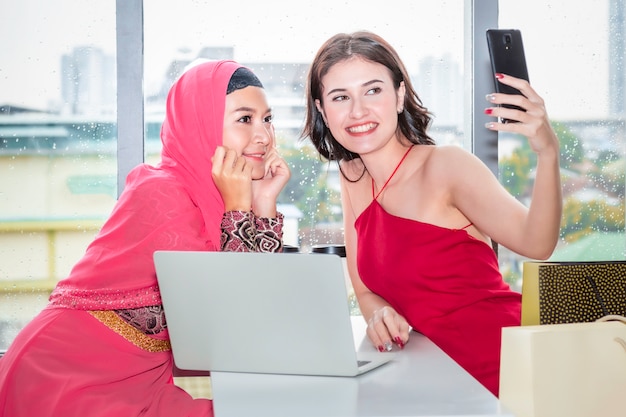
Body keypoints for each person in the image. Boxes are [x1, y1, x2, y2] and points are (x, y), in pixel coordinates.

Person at [0, 60, 291, 416]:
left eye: (268, 119)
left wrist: (262, 203)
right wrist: (240, 206)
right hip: (63, 378)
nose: (264, 136)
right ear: (200, 123)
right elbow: (228, 328)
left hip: (138, 384)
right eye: (245, 119)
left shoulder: (219, 196)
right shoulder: (159, 192)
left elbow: (262, 317)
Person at [302, 31, 561, 397]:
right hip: (429, 374)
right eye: (340, 97)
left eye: (373, 90)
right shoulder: (353, 176)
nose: (357, 111)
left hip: (505, 369)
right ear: (323, 111)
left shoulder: (448, 165)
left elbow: (537, 244)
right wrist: (378, 313)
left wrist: (548, 153)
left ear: (400, 96)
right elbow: (364, 290)